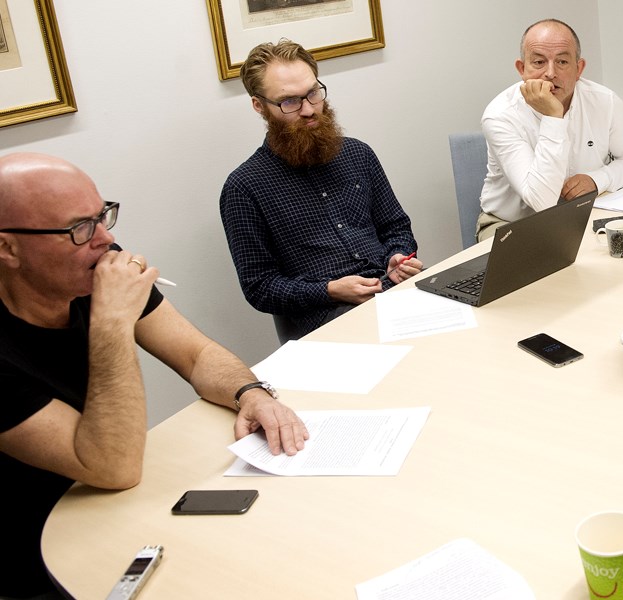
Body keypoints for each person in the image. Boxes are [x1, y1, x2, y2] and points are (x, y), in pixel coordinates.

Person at [0, 152, 309, 599]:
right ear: (7, 248)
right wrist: (111, 323)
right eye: (78, 229)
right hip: (46, 554)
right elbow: (111, 466)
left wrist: (251, 393)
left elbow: (196, 354)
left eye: (103, 215)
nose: (106, 240)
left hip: (117, 506)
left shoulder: (92, 264)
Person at [220, 39, 422, 343]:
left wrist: (397, 256)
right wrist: (328, 290)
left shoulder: (358, 154)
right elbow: (260, 288)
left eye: (313, 93)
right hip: (330, 318)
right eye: (289, 102)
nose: (308, 110)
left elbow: (396, 226)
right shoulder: (244, 187)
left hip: (398, 292)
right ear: (259, 105)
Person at [476, 18, 623, 241]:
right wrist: (553, 117)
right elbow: (541, 202)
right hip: (511, 225)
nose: (550, 73)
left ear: (578, 68)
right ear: (522, 69)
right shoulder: (500, 114)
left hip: (585, 218)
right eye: (539, 62)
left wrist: (598, 179)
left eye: (562, 62)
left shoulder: (603, 100)